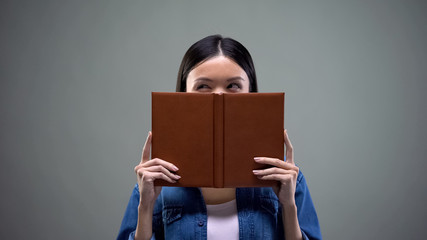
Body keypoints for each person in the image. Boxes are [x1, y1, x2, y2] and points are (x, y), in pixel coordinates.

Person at [117, 35, 321, 240]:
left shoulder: (286, 179)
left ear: (251, 93)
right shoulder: (154, 181)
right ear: (182, 93)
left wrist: (288, 205)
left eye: (233, 86)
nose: (219, 97)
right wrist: (145, 207)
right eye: (203, 86)